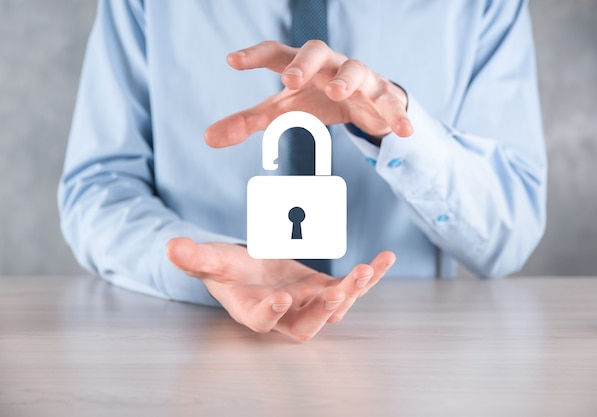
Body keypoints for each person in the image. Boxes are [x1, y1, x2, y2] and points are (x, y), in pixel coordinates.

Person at [59, 0, 546, 341]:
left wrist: (398, 129)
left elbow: (510, 232)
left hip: (404, 352)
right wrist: (207, 268)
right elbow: (97, 189)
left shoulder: (481, 5)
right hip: (195, 339)